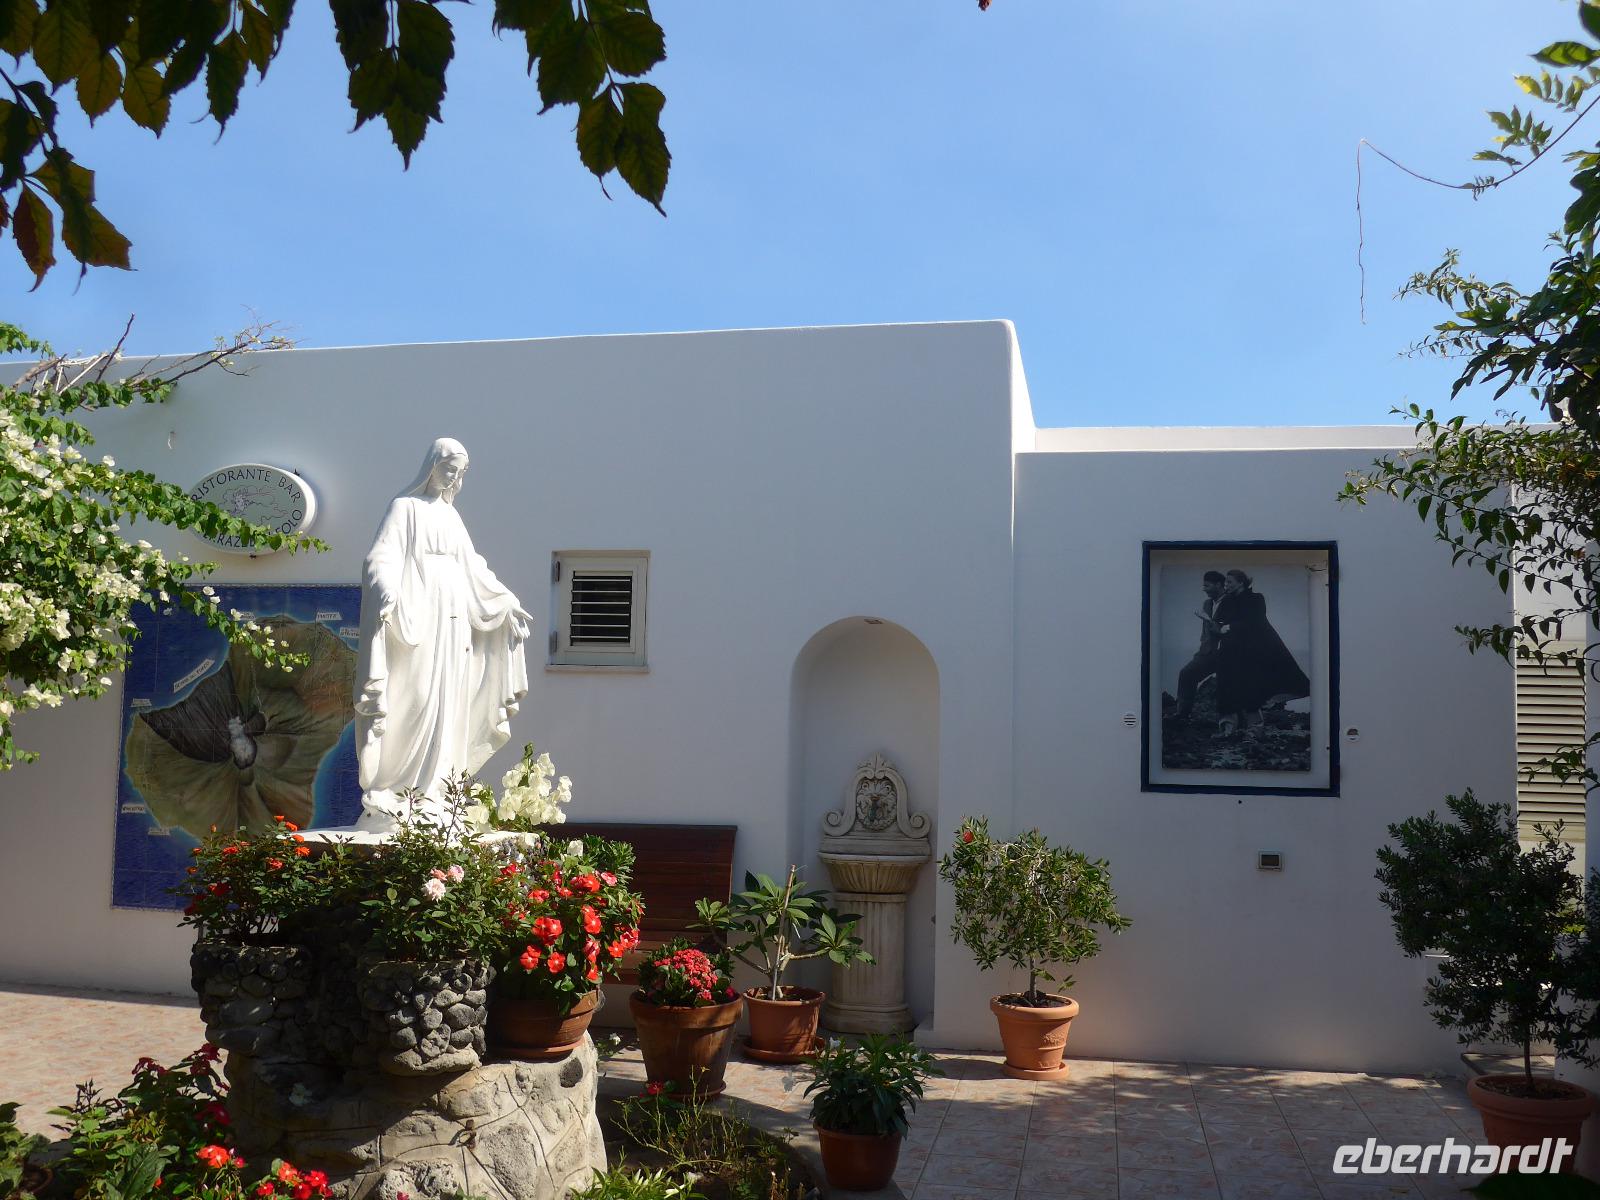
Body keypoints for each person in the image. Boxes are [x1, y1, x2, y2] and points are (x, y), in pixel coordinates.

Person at [352, 438, 532, 830]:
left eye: (459, 472)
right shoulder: (405, 507)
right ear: (431, 466)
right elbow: (381, 556)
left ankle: (435, 794)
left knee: (449, 702)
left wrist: (505, 600)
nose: (452, 477)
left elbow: (474, 567)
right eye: (448, 468)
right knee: (414, 696)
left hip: (452, 620)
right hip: (416, 616)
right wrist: (385, 588)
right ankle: (398, 789)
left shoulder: (451, 517)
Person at [1210, 568, 1310, 739]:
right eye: (1225, 582)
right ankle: (1227, 729)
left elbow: (1255, 621)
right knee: (1226, 688)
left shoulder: (1256, 598)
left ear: (1241, 582)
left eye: (1229, 582)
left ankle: (1255, 730)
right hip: (1229, 651)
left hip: (1252, 651)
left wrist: (1231, 626)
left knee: (1252, 689)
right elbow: (1218, 623)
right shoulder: (1226, 601)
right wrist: (1216, 627)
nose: (1226, 585)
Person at [1167, 571, 1226, 722]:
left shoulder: (1232, 602)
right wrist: (1202, 650)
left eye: (1207, 585)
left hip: (1228, 653)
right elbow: (1205, 632)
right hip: (1207, 653)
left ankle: (1240, 723)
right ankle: (1182, 715)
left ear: (1218, 584)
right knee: (1187, 674)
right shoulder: (1207, 604)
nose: (1204, 589)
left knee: (1230, 686)